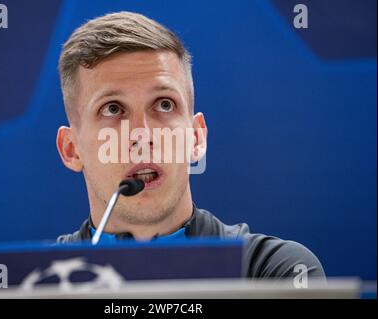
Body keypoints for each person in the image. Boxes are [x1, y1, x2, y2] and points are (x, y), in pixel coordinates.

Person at [55, 11, 325, 279]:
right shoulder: (35, 285)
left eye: (164, 104)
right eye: (113, 108)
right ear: (71, 149)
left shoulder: (275, 272)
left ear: (196, 137)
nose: (143, 135)